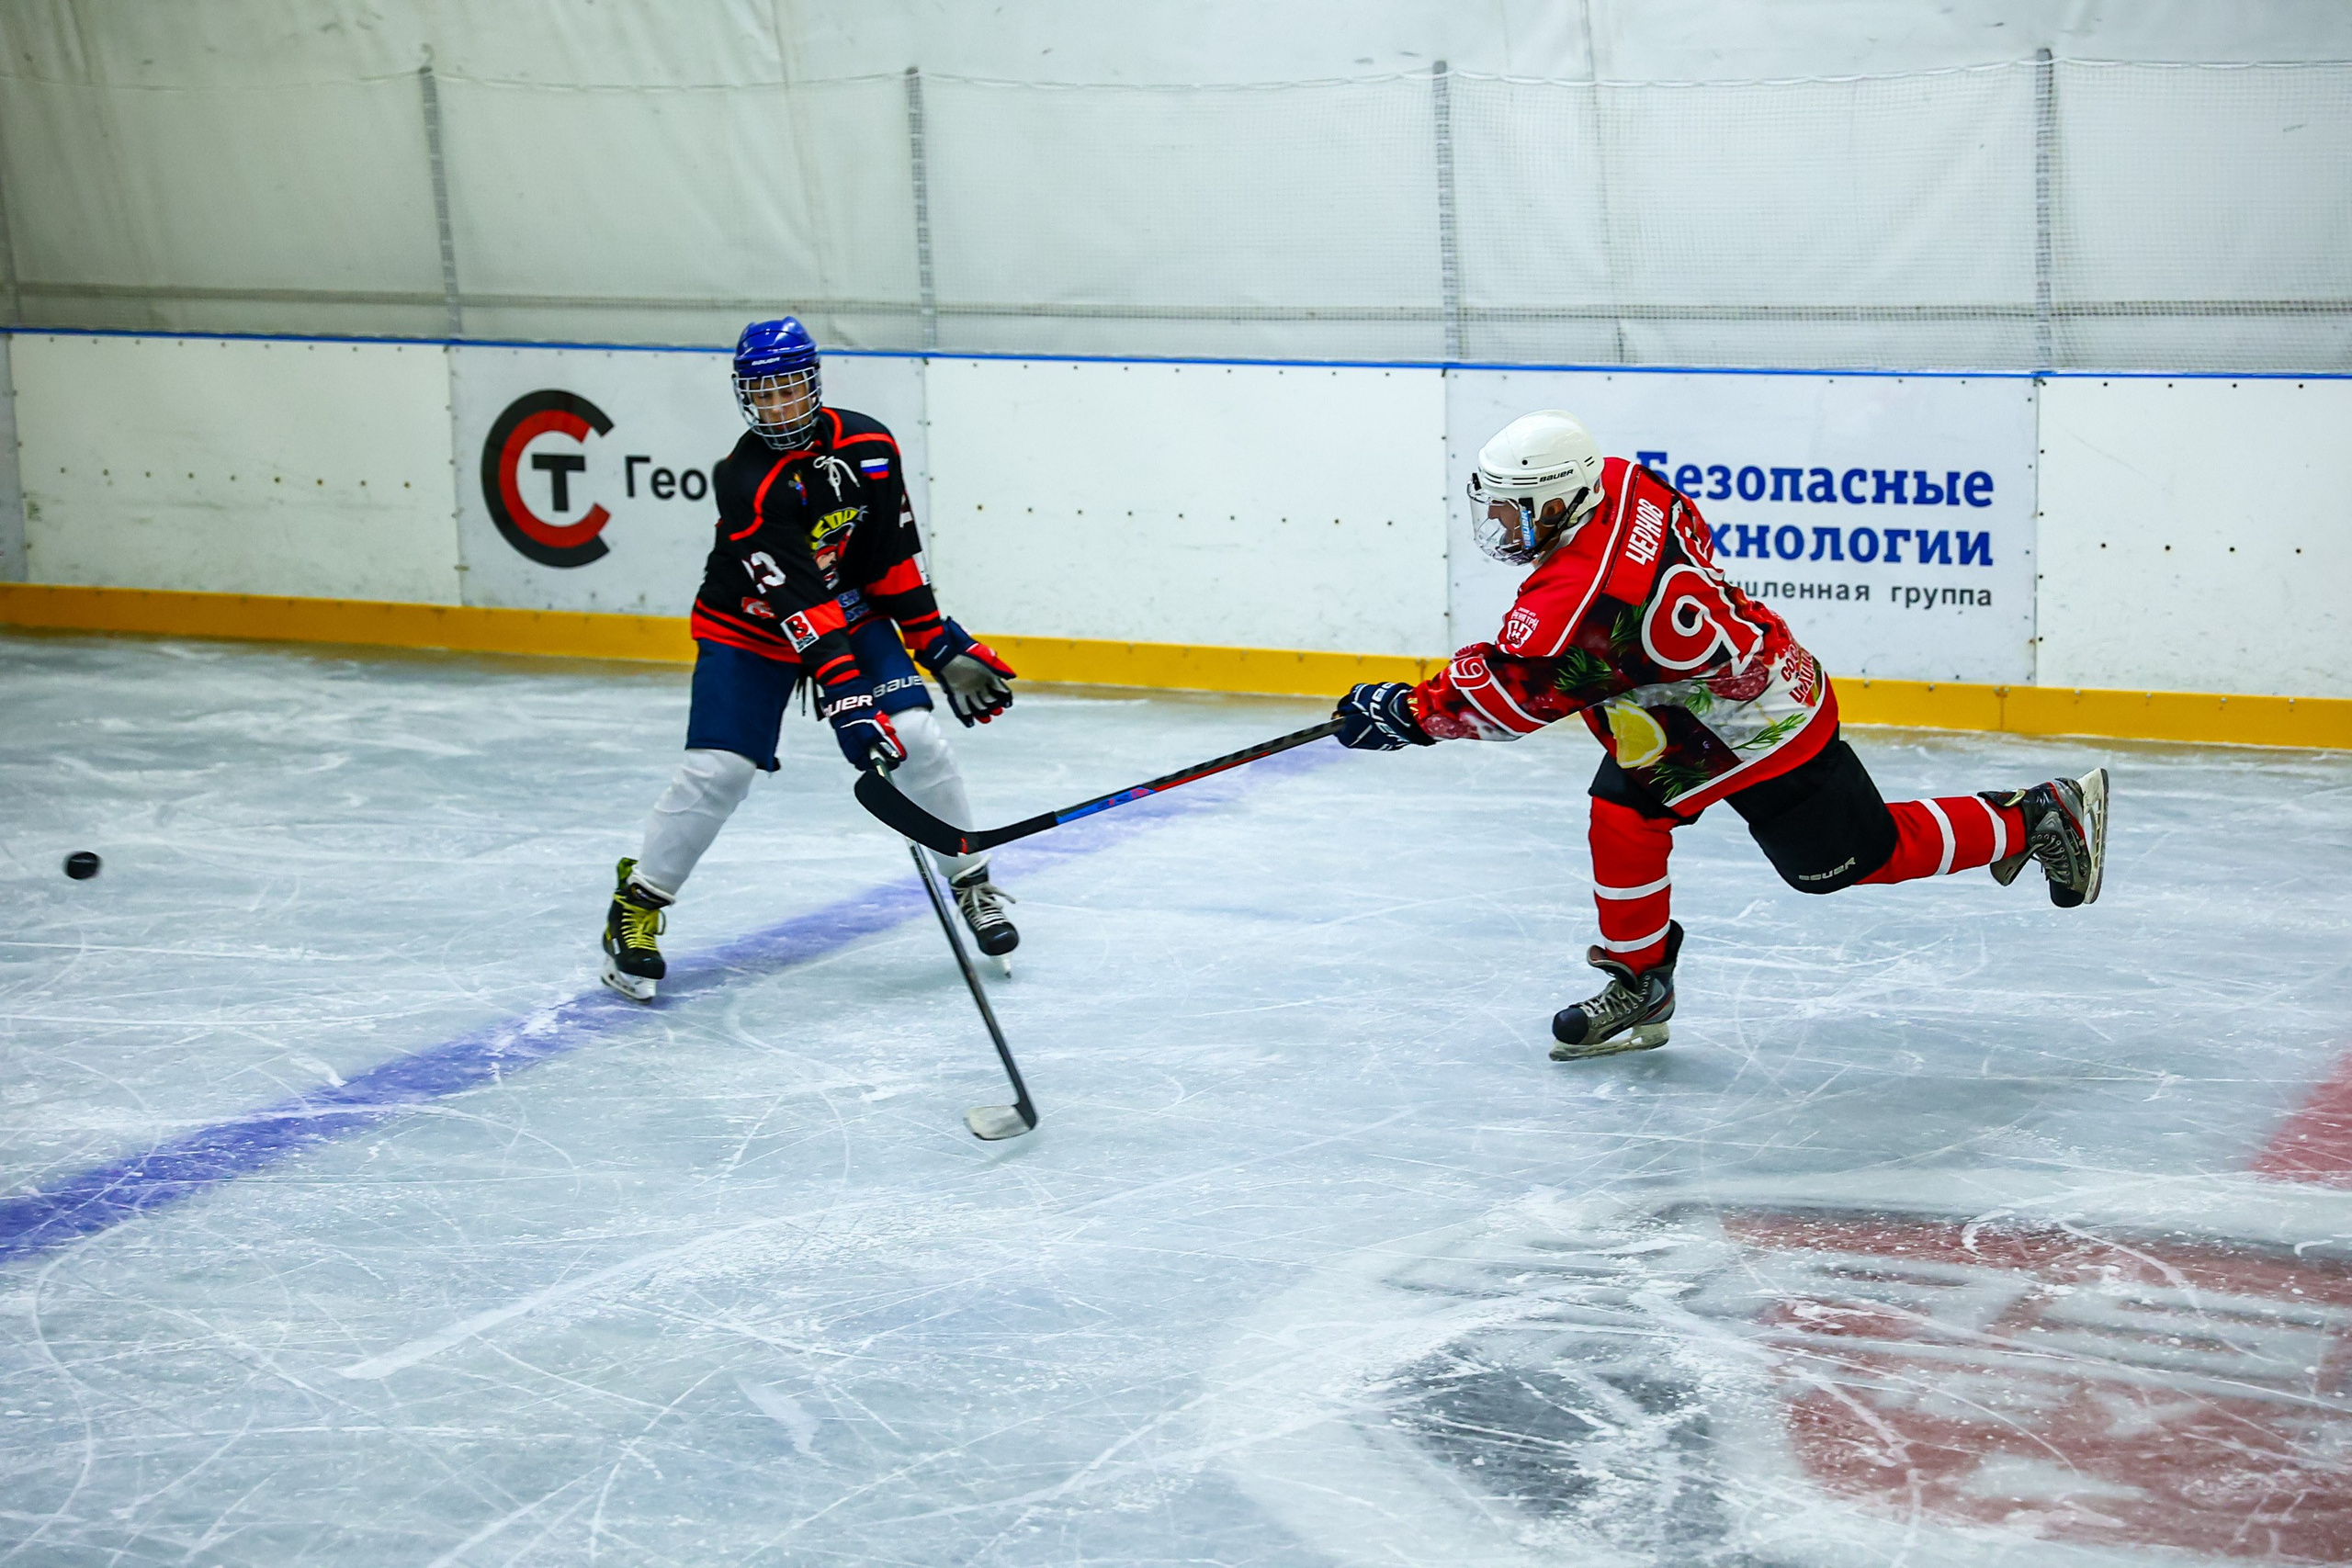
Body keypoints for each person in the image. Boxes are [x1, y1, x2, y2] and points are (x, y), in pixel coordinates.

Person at [1331, 410, 2107, 1059]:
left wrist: (1404, 713)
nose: (1501, 526)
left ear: (1565, 501)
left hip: (1759, 724)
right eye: (1494, 506)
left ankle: (2034, 815)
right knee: (1622, 816)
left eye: (1515, 509)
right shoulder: (1626, 481)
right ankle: (1641, 980)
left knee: (1844, 863)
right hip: (1682, 713)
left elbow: (1511, 696)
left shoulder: (1577, 603)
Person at [599, 317, 1022, 1001]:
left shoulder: (870, 445)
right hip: (751, 628)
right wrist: (852, 705)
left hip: (849, 613)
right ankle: (636, 906)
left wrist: (936, 640)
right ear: (745, 397)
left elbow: (888, 562)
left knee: (915, 738)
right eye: (762, 395)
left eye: (789, 389)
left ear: (813, 383)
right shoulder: (747, 480)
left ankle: (971, 883)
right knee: (719, 771)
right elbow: (804, 612)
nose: (777, 407)